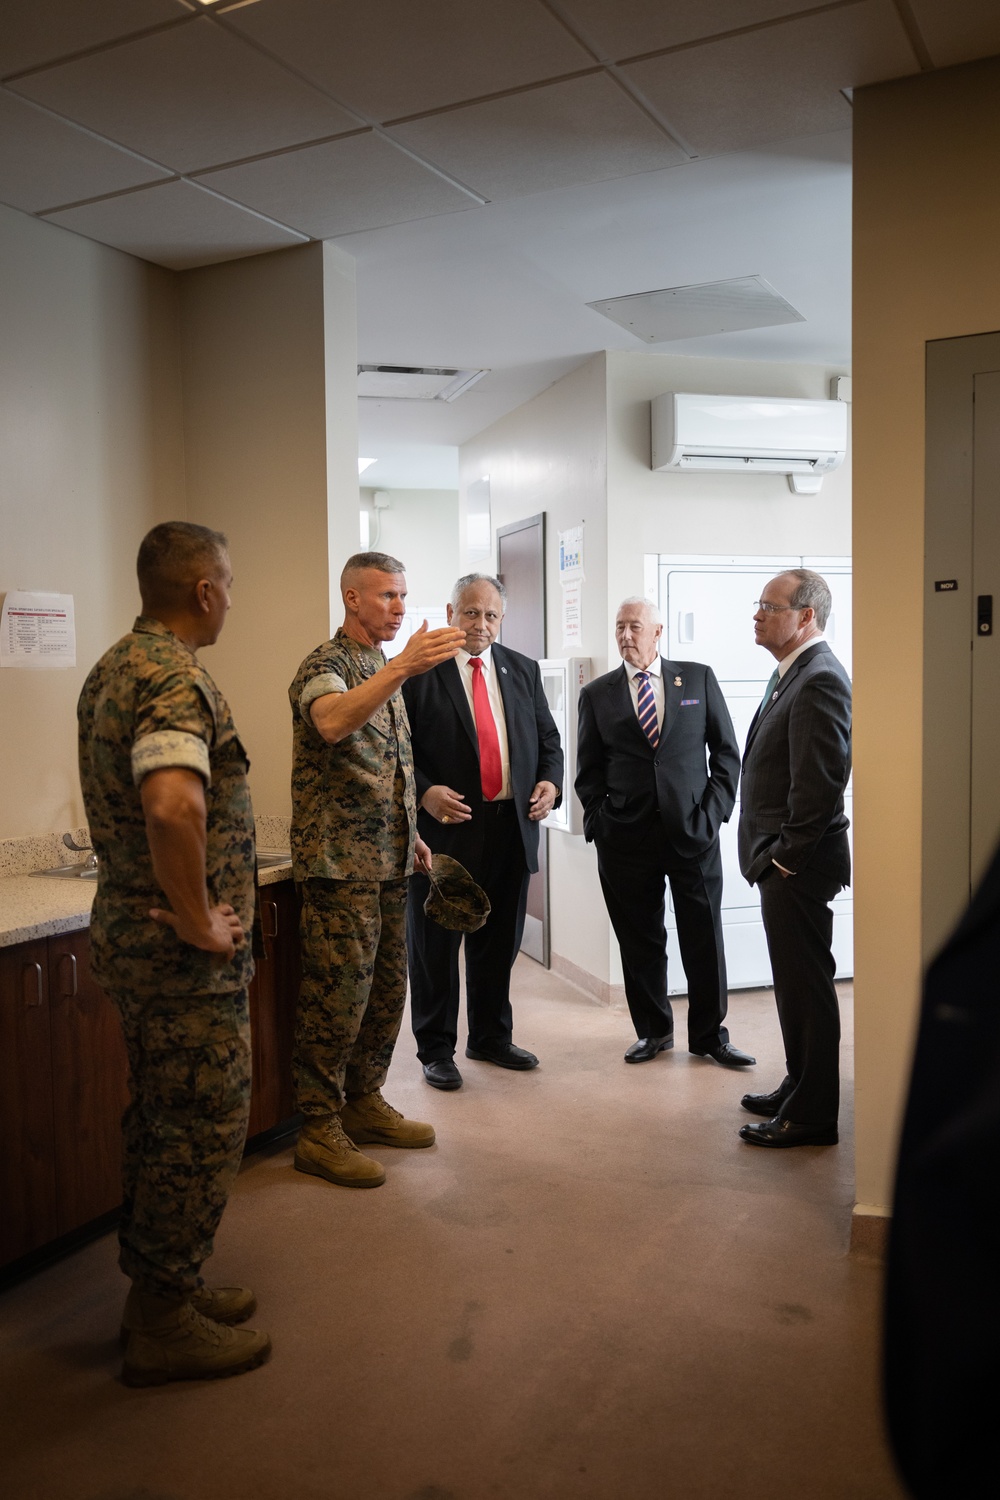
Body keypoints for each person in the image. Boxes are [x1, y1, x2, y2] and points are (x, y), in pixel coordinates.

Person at [77, 521, 270, 1387]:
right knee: (199, 1125)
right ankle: (162, 1319)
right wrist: (197, 921)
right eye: (227, 584)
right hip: (177, 961)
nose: (231, 598)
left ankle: (164, 1287)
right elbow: (171, 808)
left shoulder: (117, 665)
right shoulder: (173, 676)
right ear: (203, 591)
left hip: (137, 945)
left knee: (162, 1119)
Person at [288, 551, 464, 1186]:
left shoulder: (379, 669)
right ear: (351, 598)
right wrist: (408, 665)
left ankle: (363, 1103)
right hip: (339, 868)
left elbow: (390, 767)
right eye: (386, 595)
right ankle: (317, 1127)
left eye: (403, 595)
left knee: (387, 993)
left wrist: (412, 835)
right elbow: (333, 723)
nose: (398, 606)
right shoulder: (327, 666)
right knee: (338, 1000)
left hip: (390, 862)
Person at [576, 597, 753, 1069]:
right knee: (640, 940)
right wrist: (600, 822)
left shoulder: (695, 678)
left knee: (703, 936)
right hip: (625, 841)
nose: (626, 635)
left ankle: (711, 1035)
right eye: (619, 627)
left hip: (692, 831)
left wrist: (712, 813)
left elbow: (727, 754)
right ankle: (653, 1031)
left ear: (657, 632)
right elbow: (588, 772)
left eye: (635, 626)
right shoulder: (597, 694)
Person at [402, 573, 563, 1090]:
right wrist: (425, 792)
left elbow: (548, 740)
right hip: (445, 832)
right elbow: (396, 754)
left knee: (499, 941)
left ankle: (490, 1037)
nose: (480, 624)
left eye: (491, 615)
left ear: (501, 619)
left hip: (510, 830)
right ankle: (435, 1049)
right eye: (471, 613)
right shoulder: (418, 672)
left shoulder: (521, 669)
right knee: (437, 944)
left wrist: (549, 782)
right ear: (451, 612)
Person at [737, 569, 852, 1148]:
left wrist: (784, 860)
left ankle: (811, 1115)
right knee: (793, 984)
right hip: (781, 860)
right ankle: (799, 1083)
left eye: (769, 606)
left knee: (807, 987)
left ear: (805, 616)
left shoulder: (820, 679)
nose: (756, 614)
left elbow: (821, 783)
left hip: (797, 866)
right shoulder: (792, 674)